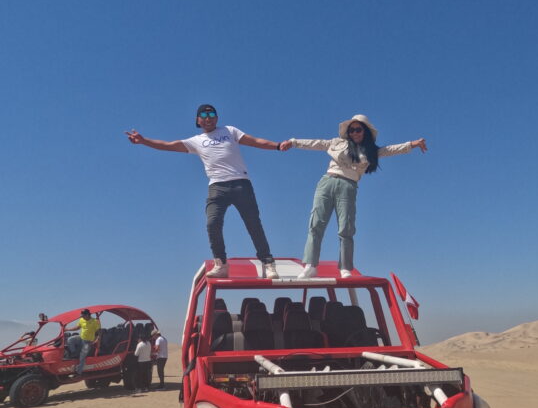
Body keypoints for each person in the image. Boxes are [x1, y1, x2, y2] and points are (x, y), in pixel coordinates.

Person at [126, 105, 288, 278]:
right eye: (203, 115)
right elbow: (168, 145)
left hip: (241, 183)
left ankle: (268, 263)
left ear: (217, 118)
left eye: (212, 114)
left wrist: (277, 146)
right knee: (212, 223)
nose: (208, 117)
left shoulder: (230, 131)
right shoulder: (196, 141)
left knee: (253, 223)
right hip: (217, 187)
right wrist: (144, 141)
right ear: (198, 120)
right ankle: (221, 264)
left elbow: (254, 141)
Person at [281, 115, 427, 278]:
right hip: (327, 181)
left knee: (346, 228)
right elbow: (316, 143)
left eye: (358, 130)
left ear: (365, 131)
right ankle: (310, 265)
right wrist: (293, 142)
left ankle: (345, 267)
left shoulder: (371, 151)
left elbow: (391, 150)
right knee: (315, 224)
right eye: (351, 130)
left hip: (348, 186)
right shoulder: (337, 143)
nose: (355, 133)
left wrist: (413, 144)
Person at [66, 309, 100, 375]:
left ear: (87, 315)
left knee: (82, 356)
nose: (82, 317)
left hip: (88, 341)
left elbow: (99, 332)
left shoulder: (95, 322)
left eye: (83, 315)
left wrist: (97, 340)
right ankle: (74, 353)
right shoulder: (82, 320)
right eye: (81, 316)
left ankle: (78, 372)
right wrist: (67, 329)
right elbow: (77, 327)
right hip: (81, 338)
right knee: (70, 339)